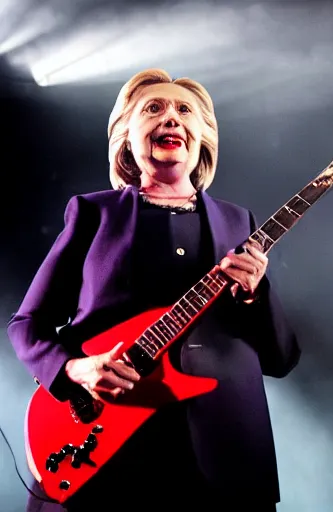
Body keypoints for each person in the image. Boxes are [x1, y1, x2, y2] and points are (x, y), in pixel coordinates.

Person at [7, 68, 300, 511]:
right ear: (126, 135)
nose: (172, 118)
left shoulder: (239, 224)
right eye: (154, 109)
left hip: (225, 457)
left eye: (185, 110)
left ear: (202, 138)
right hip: (103, 451)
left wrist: (254, 294)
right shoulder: (93, 214)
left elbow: (281, 358)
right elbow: (27, 325)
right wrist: (75, 370)